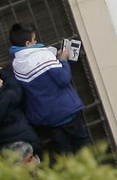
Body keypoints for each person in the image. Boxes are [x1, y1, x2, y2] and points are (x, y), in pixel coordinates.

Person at [8, 22, 89, 155]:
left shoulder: (17, 64)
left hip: (48, 118)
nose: (37, 41)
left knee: (65, 153)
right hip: (66, 111)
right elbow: (63, 79)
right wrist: (63, 60)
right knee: (83, 146)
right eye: (35, 39)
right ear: (28, 43)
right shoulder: (43, 56)